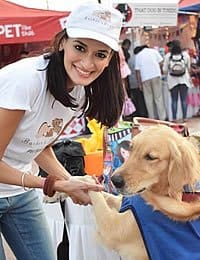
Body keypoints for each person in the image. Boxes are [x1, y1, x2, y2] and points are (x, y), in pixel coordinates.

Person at [0, 3, 124, 260]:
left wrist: (71, 181)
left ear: (110, 59)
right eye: (79, 48)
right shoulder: (26, 82)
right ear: (62, 43)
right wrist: (53, 184)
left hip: (19, 193)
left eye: (100, 54)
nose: (87, 63)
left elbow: (40, 145)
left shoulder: (78, 94)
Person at [134, 45, 167, 120]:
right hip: (156, 75)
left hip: (145, 78)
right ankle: (162, 117)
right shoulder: (154, 51)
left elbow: (137, 71)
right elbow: (161, 62)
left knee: (148, 99)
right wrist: (160, 70)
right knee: (158, 97)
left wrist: (139, 84)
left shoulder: (138, 56)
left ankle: (152, 118)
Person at [163, 42, 192, 122]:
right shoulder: (185, 55)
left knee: (174, 100)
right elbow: (188, 67)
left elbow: (165, 70)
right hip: (184, 80)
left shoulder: (168, 56)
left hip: (172, 81)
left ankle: (175, 118)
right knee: (184, 100)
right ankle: (185, 117)